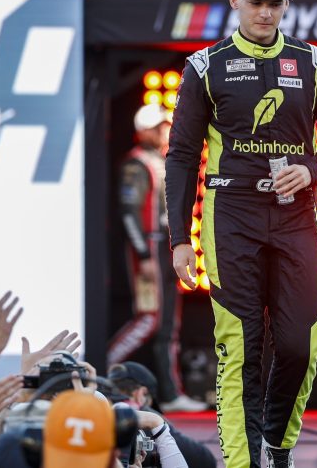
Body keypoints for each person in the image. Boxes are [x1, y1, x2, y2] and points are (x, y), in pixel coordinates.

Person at [166, 0, 317, 468]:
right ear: (235, 0)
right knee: (240, 346)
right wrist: (179, 239)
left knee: (303, 341)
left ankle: (277, 445)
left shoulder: (313, 62)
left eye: (276, 4)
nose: (266, 13)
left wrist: (312, 169)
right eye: (256, 3)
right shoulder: (204, 66)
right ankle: (242, 464)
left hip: (296, 214)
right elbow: (182, 156)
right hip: (230, 213)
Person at [109, 105, 207, 414]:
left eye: (165, 126)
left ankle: (171, 394)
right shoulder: (136, 165)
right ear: (143, 131)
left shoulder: (164, 160)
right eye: (157, 127)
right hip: (148, 249)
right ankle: (101, 368)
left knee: (167, 325)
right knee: (148, 319)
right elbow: (128, 214)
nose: (163, 131)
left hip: (166, 247)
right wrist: (142, 254)